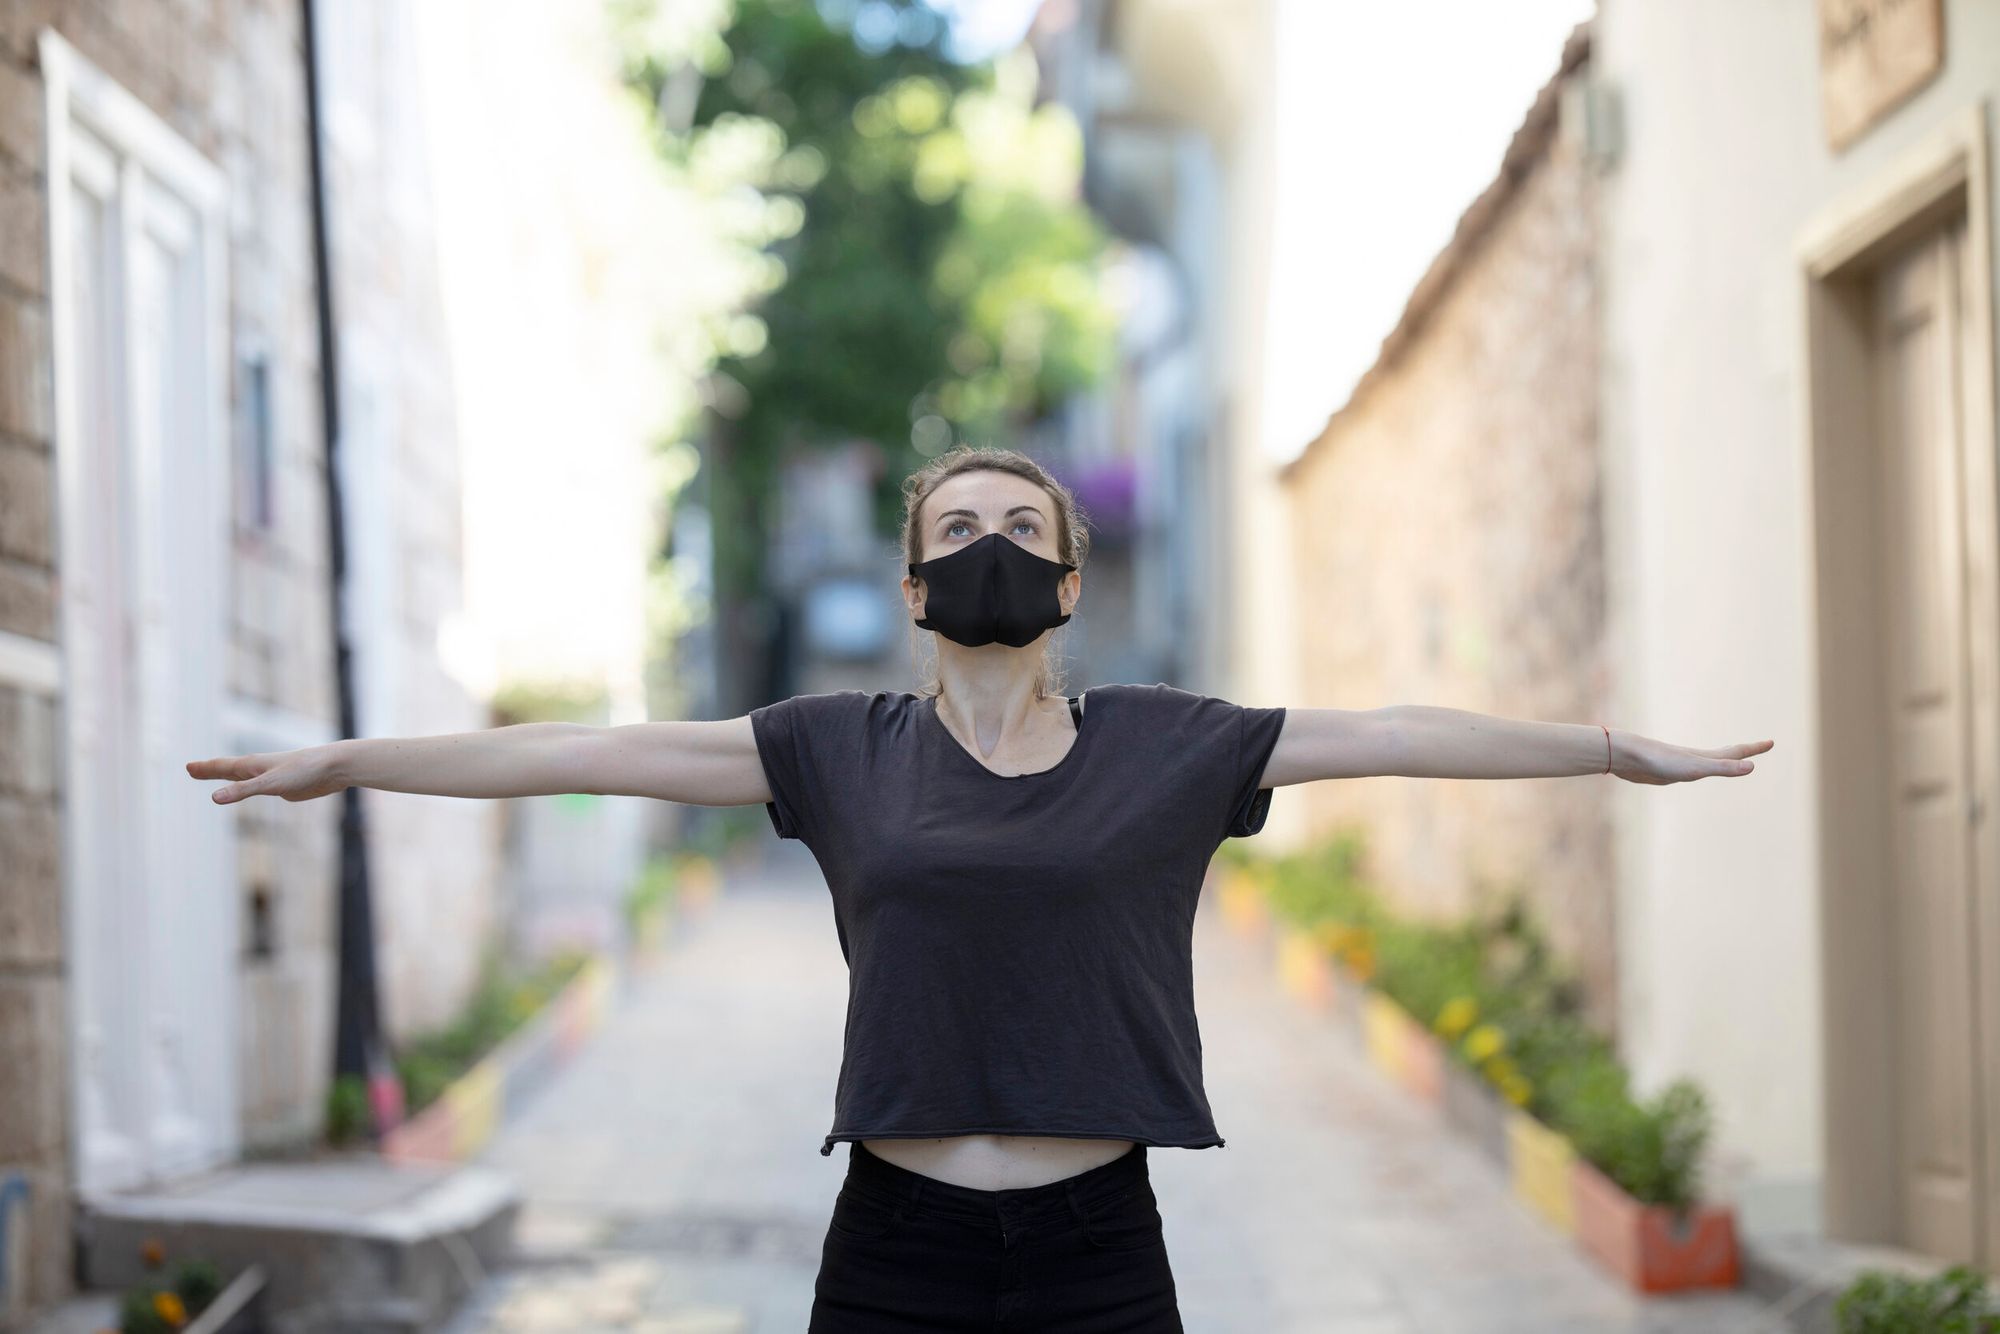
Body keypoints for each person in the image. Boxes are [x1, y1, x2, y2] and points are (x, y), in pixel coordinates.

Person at [187, 444, 1772, 1331]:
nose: (994, 547)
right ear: (916, 583)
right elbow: (593, 748)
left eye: (1025, 527)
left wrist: (1617, 747)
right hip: (896, 1253)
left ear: (1072, 580)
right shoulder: (834, 750)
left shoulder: (1173, 748)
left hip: (1100, 1252)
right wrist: (351, 761)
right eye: (962, 530)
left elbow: (1399, 730)